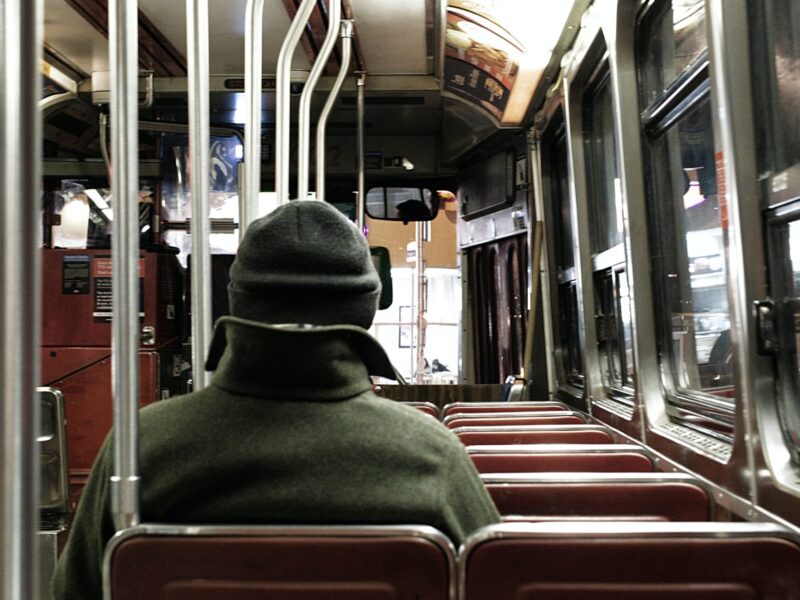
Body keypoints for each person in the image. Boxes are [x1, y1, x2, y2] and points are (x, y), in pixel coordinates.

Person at [53, 200, 499, 600]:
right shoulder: (431, 456)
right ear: (365, 306)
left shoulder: (142, 447)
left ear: (239, 301)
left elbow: (77, 590)